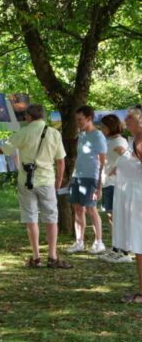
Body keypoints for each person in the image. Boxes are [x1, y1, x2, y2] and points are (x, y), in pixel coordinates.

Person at [0, 104, 71, 268]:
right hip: (47, 180)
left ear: (29, 116)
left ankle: (36, 257)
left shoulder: (23, 132)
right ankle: (52, 255)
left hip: (26, 181)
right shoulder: (54, 133)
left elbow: (3, 149)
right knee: (51, 218)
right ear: (43, 116)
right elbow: (60, 160)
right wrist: (59, 179)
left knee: (31, 219)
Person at [67, 106, 107, 254]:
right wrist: (73, 177)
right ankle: (79, 242)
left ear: (89, 118)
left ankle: (99, 242)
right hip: (78, 177)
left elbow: (103, 162)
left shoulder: (98, 136)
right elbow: (81, 158)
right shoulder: (82, 136)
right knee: (78, 209)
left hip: (91, 178)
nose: (78, 122)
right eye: (76, 120)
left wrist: (99, 185)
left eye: (80, 120)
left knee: (91, 209)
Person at [97, 114, 130, 263]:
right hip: (107, 182)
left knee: (116, 217)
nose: (102, 129)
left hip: (115, 183)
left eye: (103, 127)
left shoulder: (119, 142)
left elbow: (129, 159)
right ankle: (116, 248)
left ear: (111, 127)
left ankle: (124, 251)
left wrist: (116, 169)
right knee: (111, 217)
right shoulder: (109, 141)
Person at [118, 107, 142, 303]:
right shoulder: (134, 140)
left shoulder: (141, 142)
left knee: (140, 246)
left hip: (139, 198)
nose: (126, 121)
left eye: (130, 118)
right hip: (134, 195)